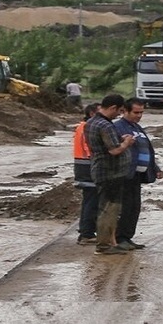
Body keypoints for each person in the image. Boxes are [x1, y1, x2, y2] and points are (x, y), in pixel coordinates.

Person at [84, 93, 135, 256]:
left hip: (100, 170)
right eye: (119, 111)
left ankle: (109, 242)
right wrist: (126, 143)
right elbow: (114, 150)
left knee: (107, 207)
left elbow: (105, 143)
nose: (119, 115)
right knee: (109, 209)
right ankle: (104, 245)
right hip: (110, 173)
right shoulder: (105, 125)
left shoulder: (91, 122)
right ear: (112, 107)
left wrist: (120, 138)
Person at [113, 98, 162, 250]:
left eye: (141, 112)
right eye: (136, 112)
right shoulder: (118, 127)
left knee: (134, 207)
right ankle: (119, 238)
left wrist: (155, 167)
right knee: (125, 207)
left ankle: (127, 237)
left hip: (137, 176)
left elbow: (146, 149)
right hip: (124, 174)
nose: (139, 115)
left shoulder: (137, 127)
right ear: (124, 111)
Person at [72, 103, 100, 245]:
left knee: (89, 200)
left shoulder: (82, 126)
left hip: (83, 166)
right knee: (92, 201)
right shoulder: (88, 127)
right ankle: (87, 233)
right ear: (91, 114)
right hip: (88, 167)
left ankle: (86, 231)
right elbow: (90, 149)